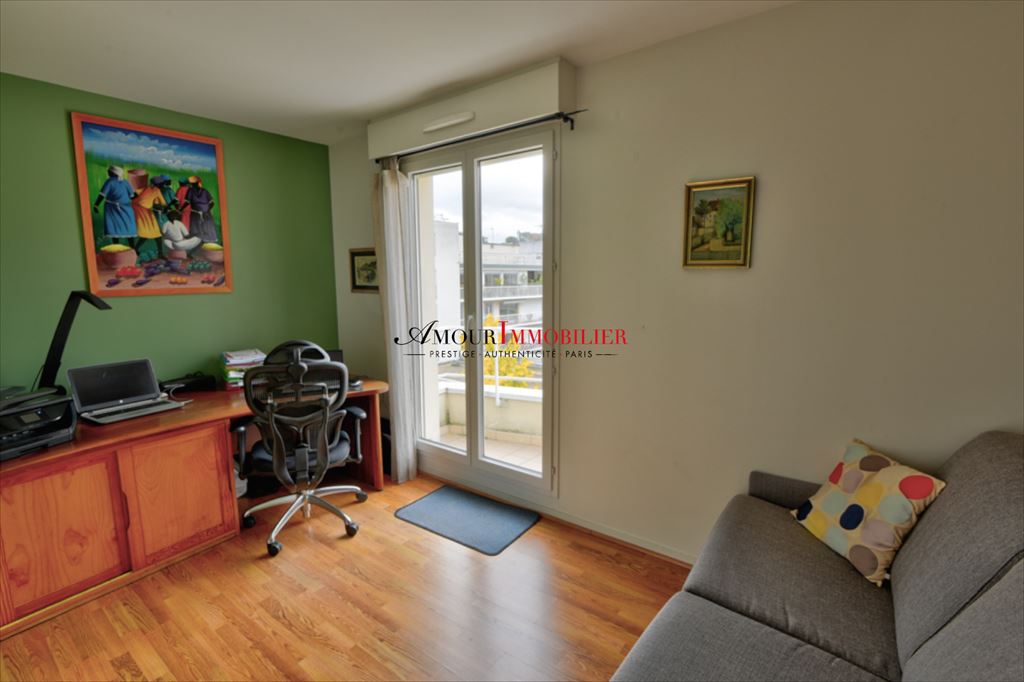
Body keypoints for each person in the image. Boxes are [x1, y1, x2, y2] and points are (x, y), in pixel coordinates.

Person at [92, 166, 137, 244]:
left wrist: (96, 205)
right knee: (128, 226)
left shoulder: (109, 182)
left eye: (109, 172)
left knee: (114, 227)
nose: (108, 173)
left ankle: (116, 246)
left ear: (113, 173)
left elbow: (102, 195)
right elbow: (132, 196)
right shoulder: (125, 182)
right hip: (126, 208)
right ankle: (132, 247)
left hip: (112, 209)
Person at [131, 176, 167, 257]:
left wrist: (160, 207)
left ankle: (160, 253)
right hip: (139, 211)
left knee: (155, 233)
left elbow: (161, 204)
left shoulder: (155, 190)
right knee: (149, 232)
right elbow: (133, 196)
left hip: (145, 210)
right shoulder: (148, 189)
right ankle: (160, 253)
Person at [184, 175, 218, 243]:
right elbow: (212, 203)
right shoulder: (194, 191)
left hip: (203, 213)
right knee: (197, 227)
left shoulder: (202, 191)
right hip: (199, 212)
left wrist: (207, 211)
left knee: (205, 227)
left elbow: (212, 203)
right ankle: (199, 239)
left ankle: (205, 240)